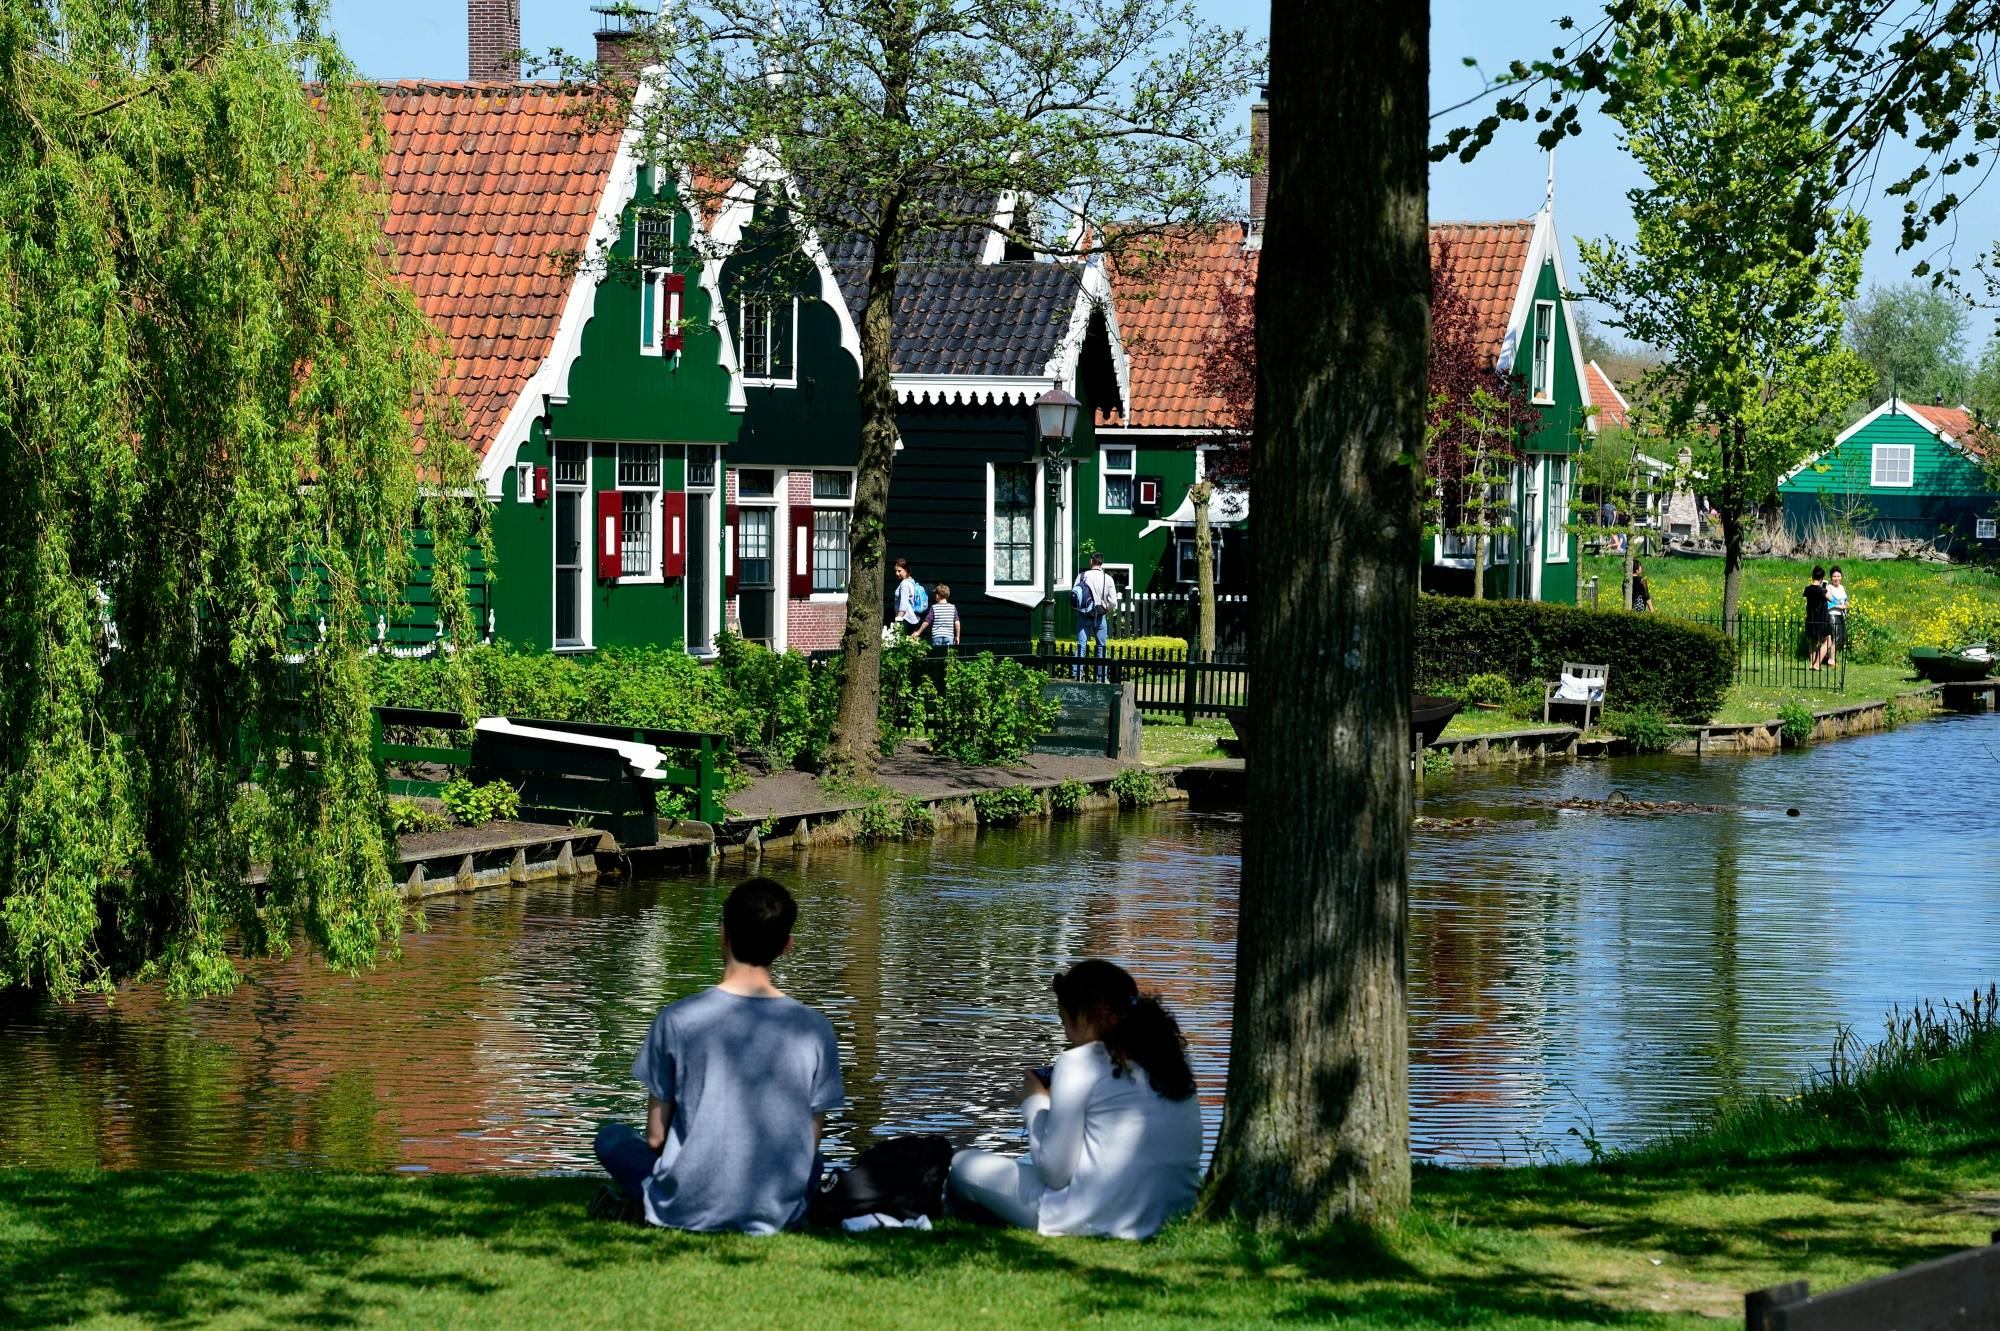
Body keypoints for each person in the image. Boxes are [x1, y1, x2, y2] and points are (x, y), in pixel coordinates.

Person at [591, 877, 844, 1233]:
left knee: (612, 1138)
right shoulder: (815, 1029)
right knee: (814, 1161)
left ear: (722, 932)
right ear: (787, 945)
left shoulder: (677, 1019)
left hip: (687, 1204)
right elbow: (808, 1141)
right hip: (776, 1208)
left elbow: (655, 1137)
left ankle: (646, 1200)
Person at [946, 959, 1203, 1240]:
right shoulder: (1169, 1061)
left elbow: (1055, 1173)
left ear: (1081, 1016)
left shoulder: (1079, 1062)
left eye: (1064, 1020)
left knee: (962, 1165)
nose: (1067, 1035)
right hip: (1174, 1211)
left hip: (1093, 1217)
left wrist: (1035, 1102)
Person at [1073, 553, 1119, 682]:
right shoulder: (1108, 578)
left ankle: (1077, 674)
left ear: (1091, 562)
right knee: (1101, 646)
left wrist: (1079, 611)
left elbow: (1074, 597)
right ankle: (1102, 677)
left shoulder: (1081, 576)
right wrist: (1105, 609)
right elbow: (1113, 602)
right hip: (1099, 616)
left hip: (1083, 615)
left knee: (1081, 645)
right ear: (1101, 563)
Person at [1804, 564, 1833, 671]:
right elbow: (1830, 598)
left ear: (1812, 576)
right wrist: (1826, 588)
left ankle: (1812, 664)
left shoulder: (1807, 589)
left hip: (1810, 618)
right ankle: (1817, 664)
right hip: (1821, 619)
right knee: (1828, 641)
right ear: (1821, 578)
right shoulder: (1822, 590)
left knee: (1813, 641)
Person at [890, 558, 928, 636]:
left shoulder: (904, 584)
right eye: (896, 571)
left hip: (905, 619)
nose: (897, 573)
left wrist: (898, 620)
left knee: (900, 645)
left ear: (906, 570)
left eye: (899, 571)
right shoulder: (912, 581)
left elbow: (903, 604)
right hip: (914, 619)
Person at [1824, 565, 1849, 666]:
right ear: (1831, 577)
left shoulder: (1842, 588)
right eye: (1834, 576)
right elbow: (1829, 602)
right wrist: (1840, 606)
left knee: (1842, 638)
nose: (1836, 578)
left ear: (1841, 577)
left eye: (1838, 576)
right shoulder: (1829, 587)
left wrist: (1846, 604)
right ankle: (1831, 660)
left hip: (1841, 615)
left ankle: (1827, 656)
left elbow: (1845, 600)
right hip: (1832, 614)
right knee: (1836, 638)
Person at [926, 583, 961, 648]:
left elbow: (927, 621)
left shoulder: (934, 607)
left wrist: (918, 632)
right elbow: (957, 622)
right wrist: (957, 636)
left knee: (937, 655)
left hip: (937, 635)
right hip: (949, 636)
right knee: (948, 656)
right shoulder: (952, 607)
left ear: (937, 595)